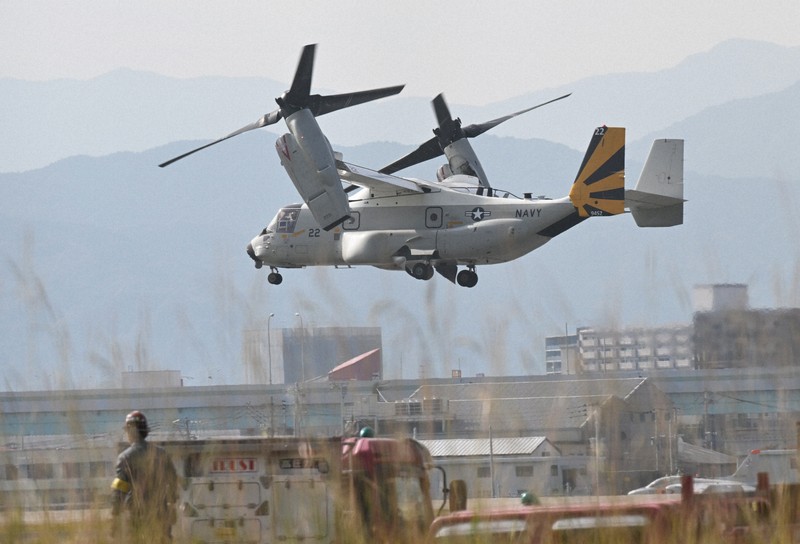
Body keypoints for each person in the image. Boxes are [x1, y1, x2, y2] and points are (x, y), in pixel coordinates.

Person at [111, 410, 178, 543]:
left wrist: (115, 514)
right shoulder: (162, 454)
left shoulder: (125, 457)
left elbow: (119, 490)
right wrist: (171, 502)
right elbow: (173, 481)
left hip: (137, 515)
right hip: (161, 513)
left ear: (130, 430)